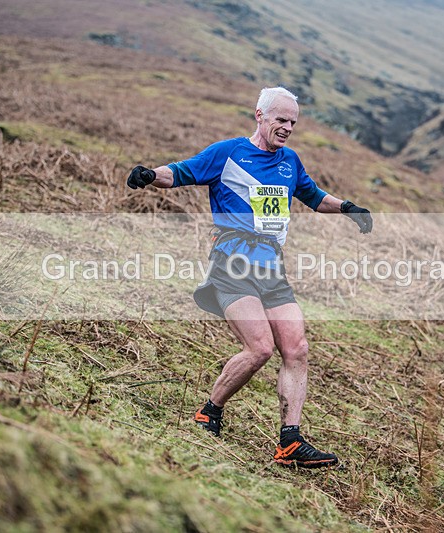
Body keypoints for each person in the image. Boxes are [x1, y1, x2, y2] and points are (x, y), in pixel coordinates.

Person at [127, 87, 373, 468]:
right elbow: (179, 172)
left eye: (293, 121)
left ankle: (290, 442)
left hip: (271, 269)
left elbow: (313, 195)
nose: (288, 127)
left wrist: (348, 208)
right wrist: (148, 174)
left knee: (297, 348)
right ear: (259, 115)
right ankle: (210, 410)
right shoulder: (227, 153)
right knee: (259, 348)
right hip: (232, 266)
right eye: (281, 119)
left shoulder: (290, 160)